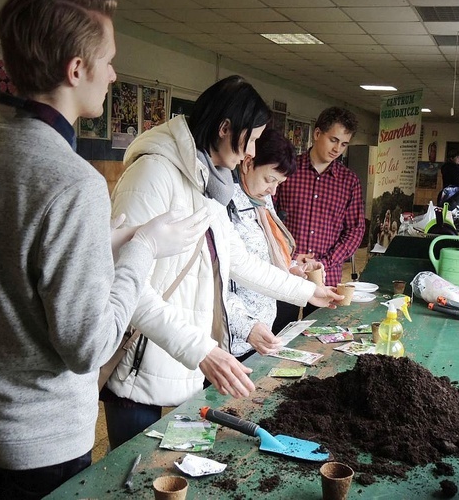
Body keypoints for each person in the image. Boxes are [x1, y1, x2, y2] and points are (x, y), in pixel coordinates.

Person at [0, 0, 210, 498]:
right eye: (109, 61)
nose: (115, 74)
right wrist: (144, 247)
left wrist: (115, 237)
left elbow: (5, 257)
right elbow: (89, 346)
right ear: (76, 70)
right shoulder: (72, 180)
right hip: (36, 446)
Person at [101, 75, 342, 450]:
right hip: (139, 361)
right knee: (130, 478)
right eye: (253, 140)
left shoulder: (209, 183)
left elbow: (239, 262)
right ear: (225, 128)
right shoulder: (152, 174)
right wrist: (201, 349)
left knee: (183, 472)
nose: (252, 153)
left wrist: (309, 291)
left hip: (184, 361)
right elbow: (127, 286)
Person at [226, 129, 325, 359]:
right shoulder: (225, 204)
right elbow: (223, 278)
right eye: (270, 180)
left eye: (279, 183)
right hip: (232, 339)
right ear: (248, 163)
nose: (273, 190)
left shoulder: (261, 199)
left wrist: (291, 265)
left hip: (260, 332)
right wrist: (246, 327)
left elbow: (267, 251)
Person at [272, 106, 366, 332]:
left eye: (343, 144)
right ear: (317, 134)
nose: (337, 149)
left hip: (327, 276)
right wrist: (291, 257)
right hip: (286, 271)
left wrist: (327, 261)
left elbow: (355, 230)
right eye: (333, 140)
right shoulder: (287, 170)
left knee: (320, 338)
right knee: (277, 336)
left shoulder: (349, 181)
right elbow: (269, 218)